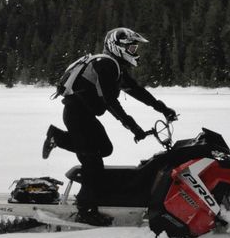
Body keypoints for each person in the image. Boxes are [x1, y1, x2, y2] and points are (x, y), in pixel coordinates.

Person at [42, 27, 179, 226]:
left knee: (105, 148)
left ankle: (57, 137)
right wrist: (133, 127)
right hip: (77, 116)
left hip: (84, 116)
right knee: (92, 163)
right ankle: (86, 210)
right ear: (117, 47)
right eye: (132, 48)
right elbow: (110, 102)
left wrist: (163, 109)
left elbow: (137, 91)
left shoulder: (113, 66)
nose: (135, 52)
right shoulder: (105, 65)